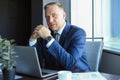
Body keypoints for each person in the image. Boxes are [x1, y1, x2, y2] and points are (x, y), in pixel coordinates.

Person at [29, 2, 90, 72]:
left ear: (64, 15)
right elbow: (37, 60)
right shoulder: (46, 33)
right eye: (47, 17)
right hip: (53, 75)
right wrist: (32, 40)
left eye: (54, 15)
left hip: (77, 75)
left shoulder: (78, 33)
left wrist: (49, 38)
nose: (50, 21)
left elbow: (71, 63)